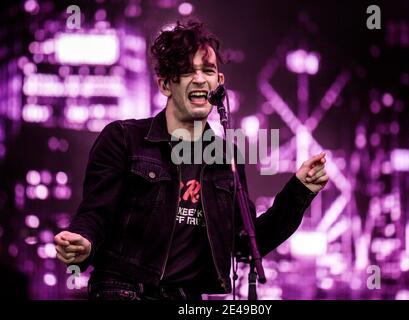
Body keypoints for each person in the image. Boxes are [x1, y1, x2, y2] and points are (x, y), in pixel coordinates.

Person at [54, 20, 329, 300]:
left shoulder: (226, 157)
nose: (199, 79)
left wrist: (299, 190)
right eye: (187, 71)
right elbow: (95, 213)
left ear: (219, 83)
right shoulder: (124, 138)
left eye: (208, 70)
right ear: (165, 84)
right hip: (126, 292)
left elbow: (247, 243)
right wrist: (84, 241)